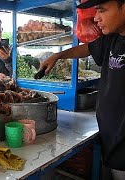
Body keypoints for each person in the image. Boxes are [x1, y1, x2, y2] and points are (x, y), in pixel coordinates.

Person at [39, 0, 125, 179]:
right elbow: (87, 48)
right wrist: (58, 55)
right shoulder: (112, 39)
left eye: (102, 10)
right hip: (111, 137)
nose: (96, 18)